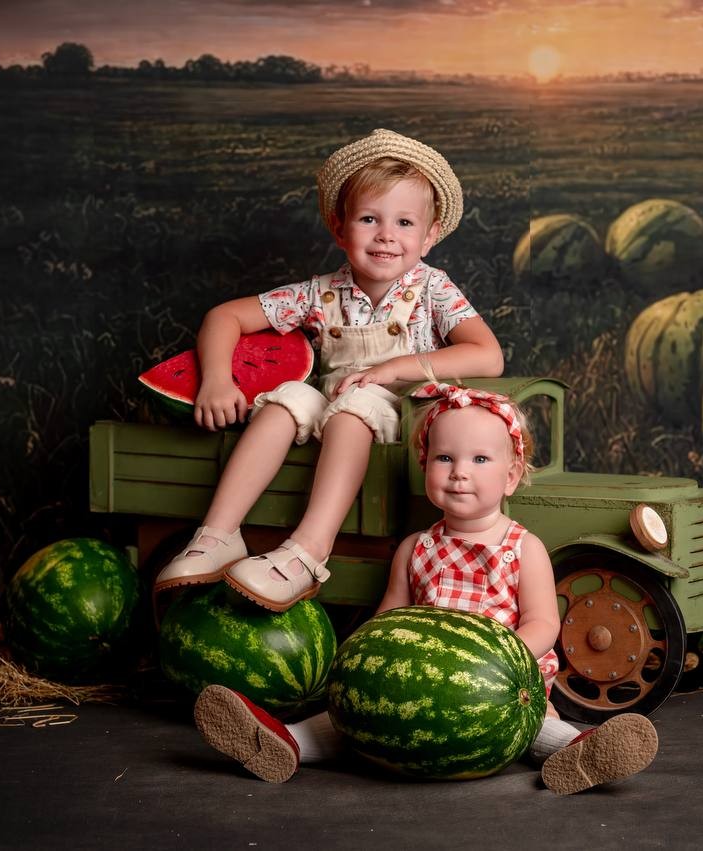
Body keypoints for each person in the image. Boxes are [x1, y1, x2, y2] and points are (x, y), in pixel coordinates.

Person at [192, 383, 659, 795]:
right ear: (424, 467)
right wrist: (359, 661)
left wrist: (497, 660)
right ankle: (282, 741)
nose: (460, 471)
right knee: (353, 719)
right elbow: (391, 614)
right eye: (444, 458)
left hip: (497, 685)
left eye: (480, 459)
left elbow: (544, 623)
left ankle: (581, 752)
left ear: (511, 475)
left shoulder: (523, 547)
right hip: (412, 682)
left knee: (535, 727)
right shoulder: (416, 548)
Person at [153, 129, 504, 613]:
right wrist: (217, 378)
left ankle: (307, 553)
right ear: (340, 229)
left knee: (351, 410)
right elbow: (224, 317)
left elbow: (487, 355)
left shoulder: (432, 289)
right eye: (368, 219)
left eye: (404, 222)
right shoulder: (318, 292)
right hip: (333, 396)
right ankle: (218, 535)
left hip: (406, 414)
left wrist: (394, 368)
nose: (386, 234)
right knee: (283, 403)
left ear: (429, 236)